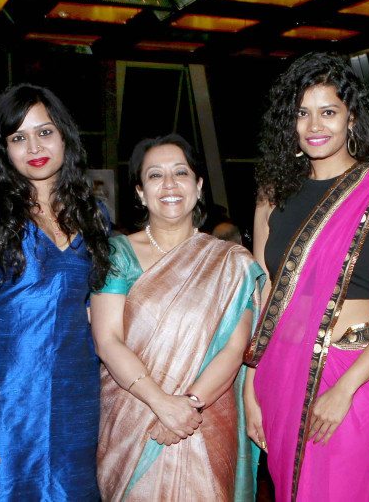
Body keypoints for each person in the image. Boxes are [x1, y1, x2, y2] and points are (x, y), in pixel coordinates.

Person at [245, 52, 369, 501]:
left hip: (352, 370)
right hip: (280, 373)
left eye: (328, 111)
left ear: (352, 118)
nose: (314, 125)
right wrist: (250, 387)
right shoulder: (273, 193)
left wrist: (346, 388)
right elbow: (265, 296)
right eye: (302, 114)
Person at [0, 84, 110, 500]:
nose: (33, 147)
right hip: (5, 400)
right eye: (18, 138)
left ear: (64, 138)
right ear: (4, 149)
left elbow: (103, 311)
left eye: (44, 132)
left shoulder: (95, 215)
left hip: (78, 399)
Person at [92, 134, 264, 500]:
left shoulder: (232, 263)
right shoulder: (116, 254)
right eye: (155, 176)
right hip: (134, 418)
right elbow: (108, 341)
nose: (169, 185)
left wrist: (188, 405)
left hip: (204, 419)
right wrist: (161, 402)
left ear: (199, 186)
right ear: (140, 192)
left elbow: (235, 349)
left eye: (180, 173)